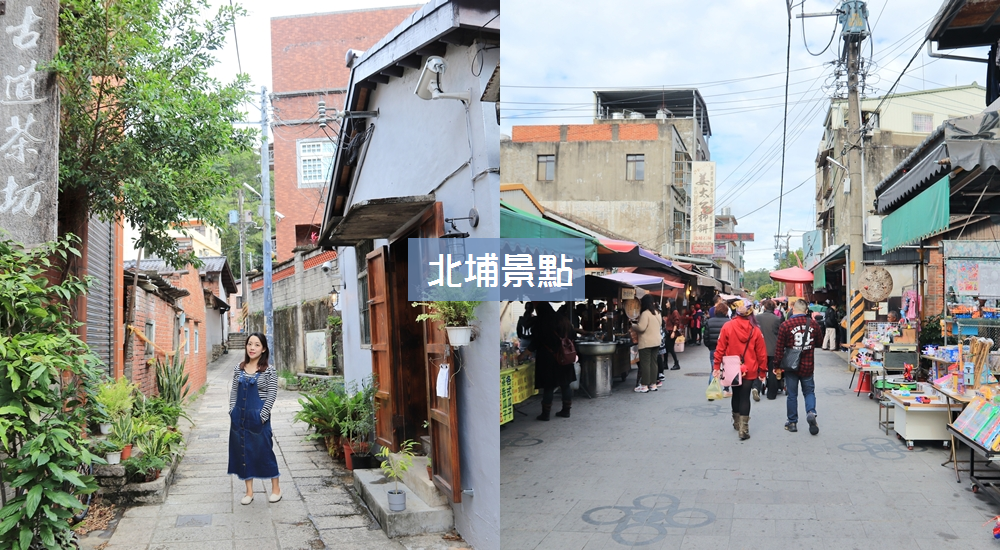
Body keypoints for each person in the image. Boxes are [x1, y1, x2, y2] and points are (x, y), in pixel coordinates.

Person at [228, 332, 281, 505]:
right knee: (243, 452)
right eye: (250, 344)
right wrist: (232, 411)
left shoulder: (269, 371)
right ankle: (249, 492)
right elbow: (234, 391)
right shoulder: (239, 368)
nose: (252, 348)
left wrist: (263, 416)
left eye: (257, 345)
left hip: (259, 419)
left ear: (263, 348)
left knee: (265, 452)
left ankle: (276, 489)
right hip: (239, 417)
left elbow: (272, 395)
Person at [712, 302, 767, 440]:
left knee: (736, 394)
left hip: (732, 366)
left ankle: (736, 422)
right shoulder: (756, 330)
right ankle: (744, 429)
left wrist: (716, 366)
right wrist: (762, 372)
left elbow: (720, 348)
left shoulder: (727, 326)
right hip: (750, 367)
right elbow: (761, 354)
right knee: (745, 396)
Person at [774, 299, 822, 435]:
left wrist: (776, 365)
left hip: (791, 366)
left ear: (793, 310)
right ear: (806, 311)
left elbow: (779, 349)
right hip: (808, 365)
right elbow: (819, 342)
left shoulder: (785, 325)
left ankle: (792, 422)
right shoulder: (813, 324)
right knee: (809, 392)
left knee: (792, 395)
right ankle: (811, 412)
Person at [531, 302, 576, 420]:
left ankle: (545, 414)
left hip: (548, 359)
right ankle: (566, 410)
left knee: (549, 386)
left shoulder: (542, 322)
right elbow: (573, 335)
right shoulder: (563, 320)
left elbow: (535, 341)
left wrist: (523, 355)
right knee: (565, 384)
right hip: (564, 357)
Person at [632, 294, 662, 393]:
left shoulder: (645, 313)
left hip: (646, 342)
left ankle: (644, 385)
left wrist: (632, 325)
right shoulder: (657, 313)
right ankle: (653, 384)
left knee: (645, 364)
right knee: (654, 363)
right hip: (656, 341)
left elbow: (641, 327)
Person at [755, 299, 784, 400]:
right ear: (774, 308)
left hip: (759, 349)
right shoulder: (777, 319)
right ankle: (771, 394)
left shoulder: (757, 318)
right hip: (773, 349)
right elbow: (781, 334)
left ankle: (756, 388)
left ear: (764, 307)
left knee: (758, 370)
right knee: (773, 371)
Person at [704, 301, 730, 392]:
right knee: (726, 369)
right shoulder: (729, 322)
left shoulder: (709, 321)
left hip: (713, 348)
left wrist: (710, 346)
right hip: (726, 350)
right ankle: (726, 389)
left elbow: (706, 337)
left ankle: (712, 389)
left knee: (714, 368)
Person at [662, 301, 682, 370]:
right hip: (668, 331)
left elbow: (676, 322)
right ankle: (665, 364)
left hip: (671, 332)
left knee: (670, 348)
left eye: (667, 302)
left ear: (670, 303)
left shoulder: (674, 312)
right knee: (666, 348)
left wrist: (673, 332)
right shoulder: (670, 311)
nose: (666, 304)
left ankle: (676, 363)